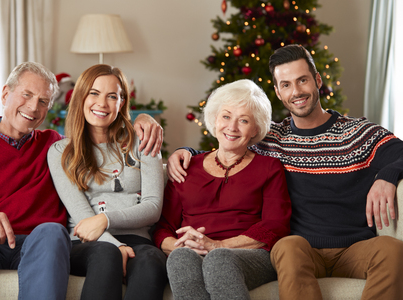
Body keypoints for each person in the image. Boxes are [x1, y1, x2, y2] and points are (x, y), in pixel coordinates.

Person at [167, 44, 403, 300]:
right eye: (286, 85)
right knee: (288, 246)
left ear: (317, 80)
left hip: (356, 246)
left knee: (391, 248)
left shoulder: (358, 133)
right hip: (300, 249)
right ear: (278, 93)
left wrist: (387, 176)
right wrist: (185, 151)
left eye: (302, 80)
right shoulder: (272, 139)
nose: (296, 91)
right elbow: (230, 139)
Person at [0, 62, 164, 300]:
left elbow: (95, 138)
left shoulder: (53, 145)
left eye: (43, 101)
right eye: (27, 95)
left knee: (53, 231)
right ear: (5, 93)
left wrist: (151, 124)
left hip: (41, 244)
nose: (33, 107)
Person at [153, 79, 291, 300]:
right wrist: (178, 245)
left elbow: (276, 225)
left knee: (219, 258)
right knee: (181, 258)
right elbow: (163, 226)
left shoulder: (269, 167)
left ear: (256, 128)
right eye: (226, 116)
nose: (232, 127)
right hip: (193, 252)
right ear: (215, 119)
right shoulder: (187, 166)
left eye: (243, 120)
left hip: (249, 255)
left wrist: (217, 245)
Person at [47, 64, 168, 300]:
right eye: (94, 93)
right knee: (106, 254)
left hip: (138, 238)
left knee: (153, 261)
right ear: (81, 96)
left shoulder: (143, 141)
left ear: (121, 103)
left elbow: (153, 207)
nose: (102, 103)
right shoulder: (61, 151)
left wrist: (106, 219)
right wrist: (115, 246)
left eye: (112, 96)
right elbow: (82, 217)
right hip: (86, 242)